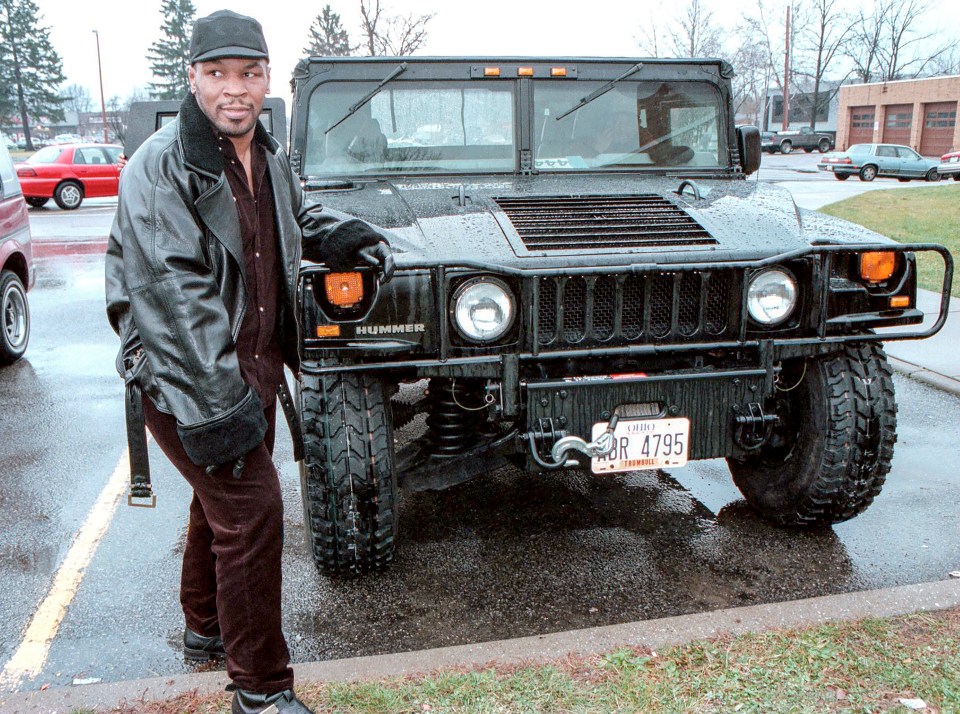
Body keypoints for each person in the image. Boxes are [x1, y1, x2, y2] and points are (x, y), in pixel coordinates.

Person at [105, 10, 392, 714]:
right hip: (188, 378)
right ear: (193, 78)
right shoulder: (159, 168)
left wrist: (344, 235)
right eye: (218, 74)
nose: (235, 89)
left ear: (266, 78)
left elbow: (289, 220)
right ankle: (261, 690)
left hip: (251, 369)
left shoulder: (265, 153)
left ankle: (205, 632)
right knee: (254, 512)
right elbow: (173, 299)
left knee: (220, 510)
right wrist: (218, 407)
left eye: (249, 73)